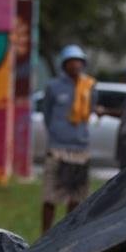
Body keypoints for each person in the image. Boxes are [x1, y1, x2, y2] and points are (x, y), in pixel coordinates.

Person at [41, 44, 97, 232]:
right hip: (58, 148)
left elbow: (90, 110)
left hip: (81, 149)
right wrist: (57, 133)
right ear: (64, 65)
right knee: (50, 195)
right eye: (71, 62)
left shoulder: (89, 86)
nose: (75, 66)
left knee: (77, 196)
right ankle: (45, 235)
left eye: (79, 62)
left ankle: (66, 234)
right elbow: (47, 114)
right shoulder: (53, 87)